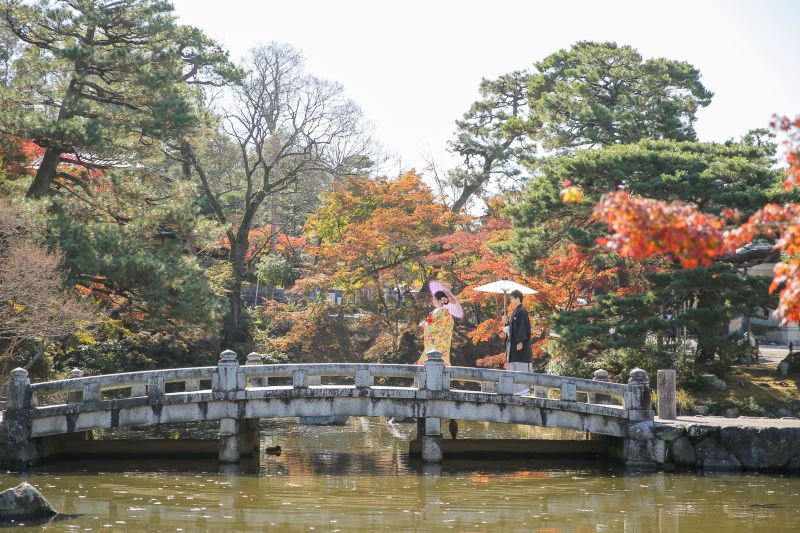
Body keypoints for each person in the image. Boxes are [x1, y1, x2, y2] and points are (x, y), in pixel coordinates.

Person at [416, 290, 454, 365]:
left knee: (429, 360)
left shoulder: (442, 312)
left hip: (436, 342)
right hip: (443, 341)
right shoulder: (445, 312)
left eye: (434, 299)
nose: (432, 301)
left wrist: (425, 325)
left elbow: (437, 327)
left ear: (440, 301)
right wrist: (427, 324)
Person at [503, 290, 532, 373]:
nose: (510, 301)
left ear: (518, 298)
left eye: (512, 298)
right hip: (513, 345)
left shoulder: (522, 311)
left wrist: (520, 341)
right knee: (513, 369)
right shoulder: (516, 311)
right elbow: (513, 327)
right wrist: (507, 322)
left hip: (519, 346)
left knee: (520, 370)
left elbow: (522, 327)